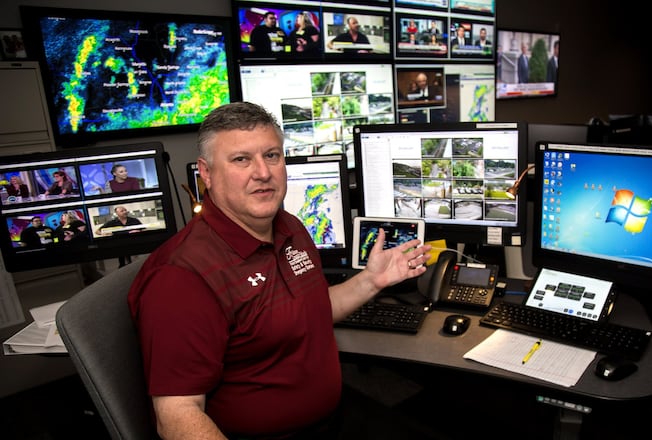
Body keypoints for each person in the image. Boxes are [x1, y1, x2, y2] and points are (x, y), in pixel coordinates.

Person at [127, 102, 431, 439]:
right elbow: (176, 415)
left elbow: (310, 310)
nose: (263, 172)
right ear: (207, 173)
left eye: (271, 155)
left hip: (332, 417)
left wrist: (372, 280)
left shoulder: (288, 227)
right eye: (241, 159)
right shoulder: (181, 277)